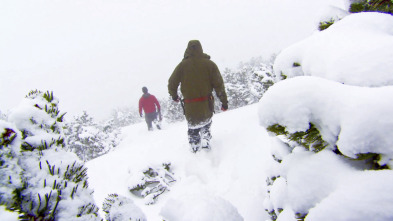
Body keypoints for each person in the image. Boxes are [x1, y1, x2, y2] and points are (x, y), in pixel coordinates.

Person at [168, 40, 228, 153]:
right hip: (207, 104)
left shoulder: (182, 66)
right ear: (200, 48)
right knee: (206, 121)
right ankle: (206, 137)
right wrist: (224, 102)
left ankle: (194, 146)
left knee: (193, 127)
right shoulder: (210, 65)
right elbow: (219, 85)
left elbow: (172, 83)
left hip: (190, 107)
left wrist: (174, 96)